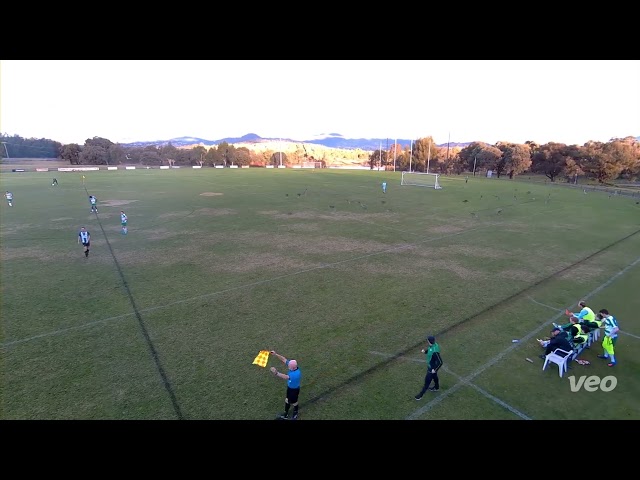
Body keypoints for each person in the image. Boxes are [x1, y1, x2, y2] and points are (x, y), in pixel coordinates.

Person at [269, 350, 301, 420]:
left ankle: (294, 413)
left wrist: (276, 373)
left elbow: (285, 377)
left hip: (294, 390)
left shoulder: (295, 374)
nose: (288, 366)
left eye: (289, 366)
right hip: (290, 388)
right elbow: (284, 359)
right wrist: (276, 354)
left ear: (292, 368)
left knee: (293, 402)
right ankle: (286, 414)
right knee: (287, 400)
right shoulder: (294, 368)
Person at [415, 335, 443, 400]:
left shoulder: (435, 352)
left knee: (427, 383)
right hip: (432, 366)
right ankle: (436, 387)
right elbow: (430, 350)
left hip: (431, 368)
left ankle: (420, 395)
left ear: (429, 341)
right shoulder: (434, 345)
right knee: (435, 377)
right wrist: (425, 351)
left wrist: (434, 369)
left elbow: (440, 362)